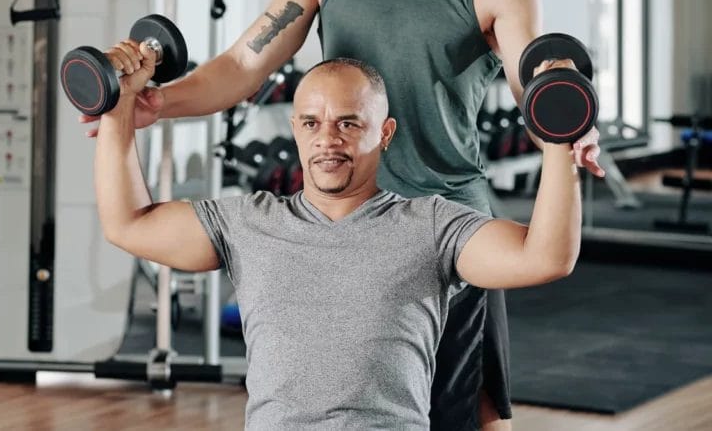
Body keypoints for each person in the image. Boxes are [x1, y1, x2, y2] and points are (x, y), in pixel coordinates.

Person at [87, 0, 604, 430]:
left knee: (466, 418)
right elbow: (244, 64)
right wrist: (147, 104)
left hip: (447, 231)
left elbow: (536, 90)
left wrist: (566, 137)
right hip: (342, 227)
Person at [94, 54, 582, 430]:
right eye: (312, 123)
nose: (328, 139)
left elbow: (545, 257)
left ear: (385, 133)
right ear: (295, 130)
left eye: (349, 123)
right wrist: (118, 110)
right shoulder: (248, 223)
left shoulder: (431, 225)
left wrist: (561, 141)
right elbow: (129, 225)